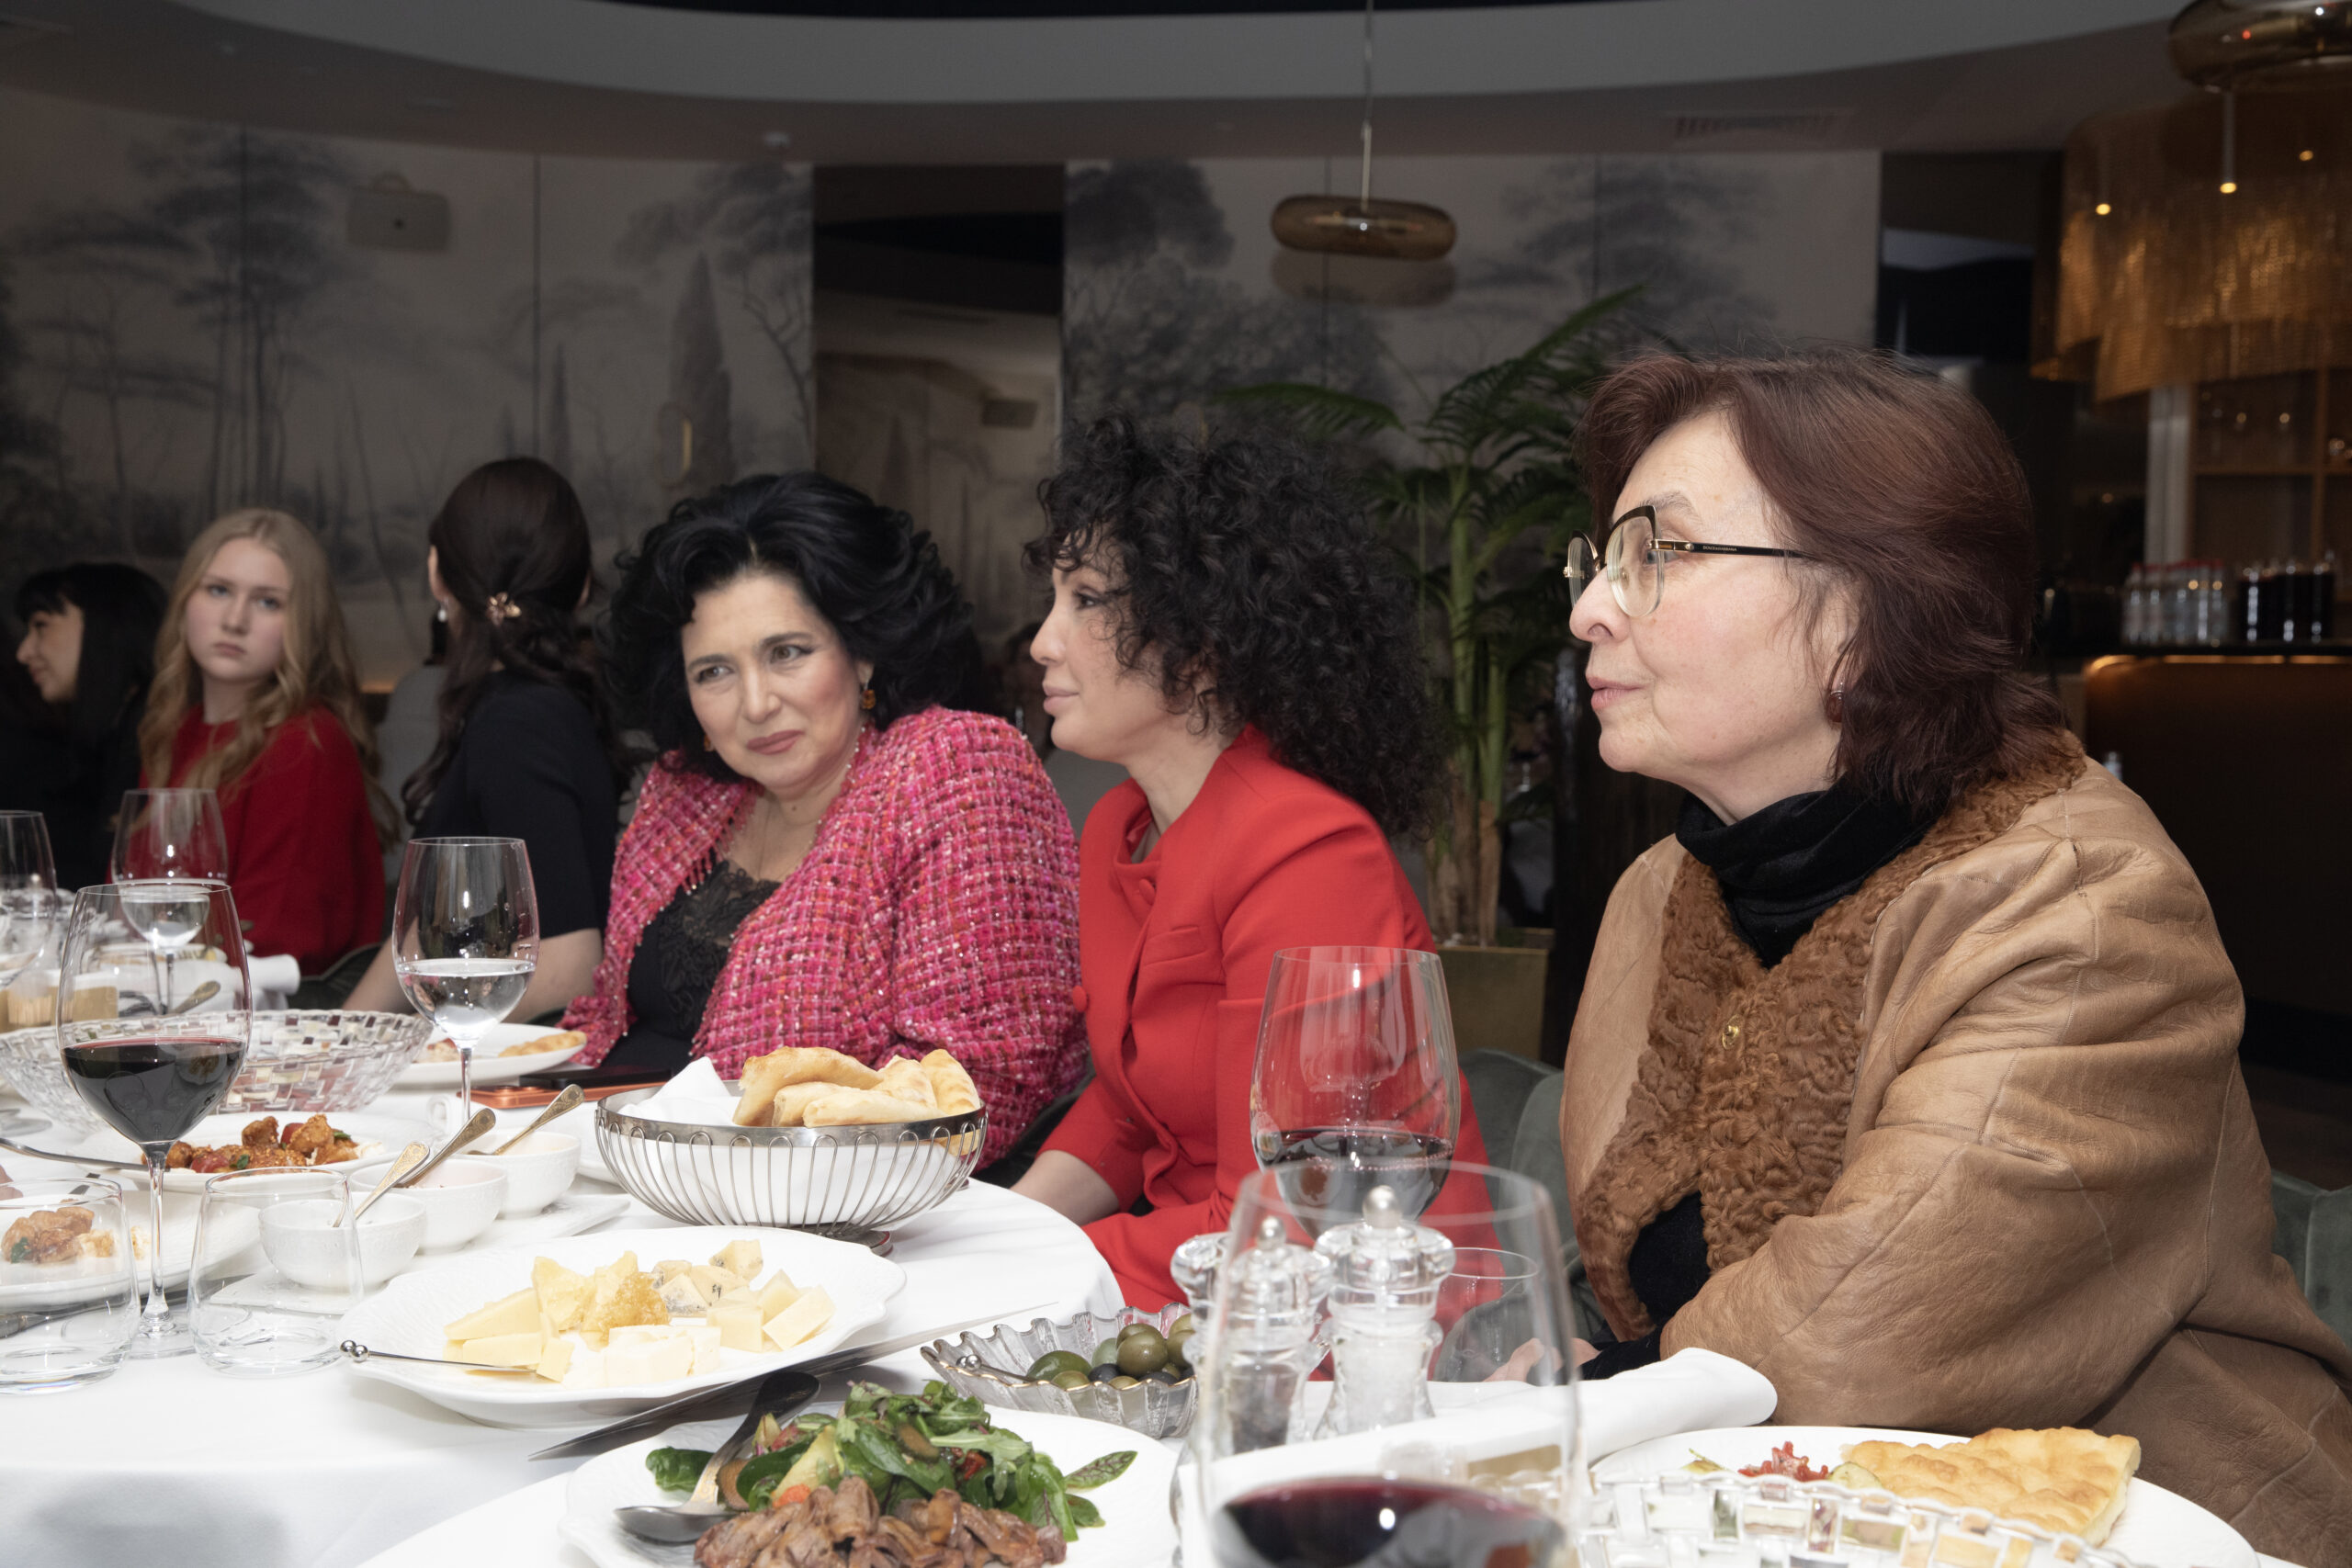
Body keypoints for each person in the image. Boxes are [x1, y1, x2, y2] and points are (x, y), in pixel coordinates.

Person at [1556, 349, 2352, 1560]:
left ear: (1866, 613)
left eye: (1655, 554)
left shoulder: (2085, 903)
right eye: (1603, 560)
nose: (1590, 610)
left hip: (2134, 1527)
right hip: (1781, 1518)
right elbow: (1634, 1284)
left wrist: (1597, 1395)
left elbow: (1865, 1328)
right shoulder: (1660, 892)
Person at [1012, 413, 1494, 1310]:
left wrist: (1015, 1271)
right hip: (1193, 1292)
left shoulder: (1306, 851)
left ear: (1199, 646)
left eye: (1086, 600)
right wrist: (996, 1233)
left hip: (1363, 1325)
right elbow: (1128, 1112)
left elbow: (1282, 1224)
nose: (1043, 640)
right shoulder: (1117, 828)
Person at [562, 472, 1086, 1168]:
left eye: (787, 653)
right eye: (714, 671)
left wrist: (724, 1168)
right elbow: (602, 1017)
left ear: (861, 651)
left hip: (817, 1199)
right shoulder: (683, 792)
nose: (756, 703)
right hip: (610, 1166)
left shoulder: (952, 769)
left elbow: (977, 1085)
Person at [345, 459, 625, 1021]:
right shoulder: (524, 709)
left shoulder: (519, 722)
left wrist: (414, 1046)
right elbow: (417, 941)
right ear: (581, 590)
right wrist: (342, 1044)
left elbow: (569, 971)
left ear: (436, 574)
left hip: (523, 1066)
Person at [139, 510, 391, 973]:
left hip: (270, 1009)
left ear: (304, 624)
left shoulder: (305, 742)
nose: (235, 620)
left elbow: (274, 944)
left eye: (268, 602)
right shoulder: (178, 731)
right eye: (219, 590)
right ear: (185, 599)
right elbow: (132, 908)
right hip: (176, 996)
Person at [12, 562, 166, 889]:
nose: (24, 653)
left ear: (104, 625)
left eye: (41, 626)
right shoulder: (111, 733)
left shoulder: (157, 732)